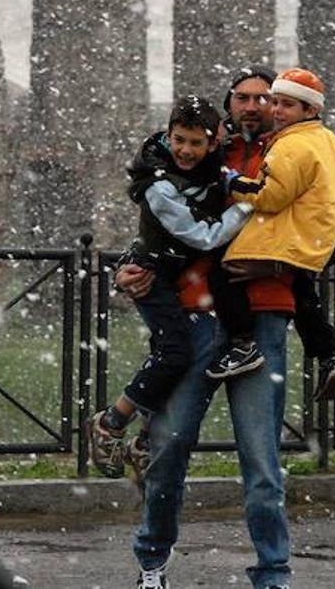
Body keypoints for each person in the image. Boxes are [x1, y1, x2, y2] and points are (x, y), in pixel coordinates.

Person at [118, 65, 299, 589]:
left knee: (261, 462)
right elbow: (160, 226)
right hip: (197, 319)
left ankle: (273, 575)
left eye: (264, 99)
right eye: (243, 98)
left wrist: (273, 262)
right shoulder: (204, 161)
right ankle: (151, 563)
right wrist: (133, 264)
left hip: (259, 319)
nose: (253, 107)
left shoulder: (292, 159)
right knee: (170, 447)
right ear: (228, 113)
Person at [86, 95, 254, 478]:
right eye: (179, 140)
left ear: (213, 141)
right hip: (158, 277)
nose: (186, 150)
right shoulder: (160, 186)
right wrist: (245, 208)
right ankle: (111, 422)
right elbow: (200, 236)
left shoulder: (215, 162)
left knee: (169, 356)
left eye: (196, 142)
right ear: (168, 134)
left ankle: (144, 439)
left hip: (200, 292)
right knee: (173, 353)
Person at [205, 67, 335, 403]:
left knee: (224, 271)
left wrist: (235, 184)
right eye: (276, 103)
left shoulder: (288, 146)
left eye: (280, 103)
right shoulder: (326, 142)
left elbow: (269, 197)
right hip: (306, 242)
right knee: (306, 297)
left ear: (309, 110)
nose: (273, 110)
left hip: (277, 253)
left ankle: (243, 345)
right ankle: (328, 356)